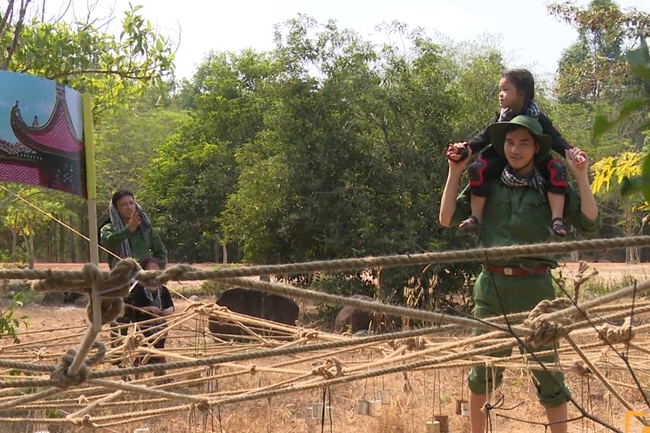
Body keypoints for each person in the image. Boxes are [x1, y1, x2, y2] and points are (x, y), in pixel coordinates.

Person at [439, 115, 600, 433]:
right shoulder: (487, 185)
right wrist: (454, 170)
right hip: (492, 289)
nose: (515, 149)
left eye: (524, 142)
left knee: (549, 374)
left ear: (537, 147)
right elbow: (446, 218)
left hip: (536, 289)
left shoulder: (552, 187)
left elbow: (590, 221)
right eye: (510, 142)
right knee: (482, 371)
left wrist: (581, 175)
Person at [446, 69, 586, 238]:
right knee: (478, 168)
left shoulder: (539, 118)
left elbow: (556, 140)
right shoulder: (501, 119)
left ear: (521, 94)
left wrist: (572, 154)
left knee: (557, 168)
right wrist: (462, 150)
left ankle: (557, 219)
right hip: (500, 158)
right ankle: (476, 217)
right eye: (500, 90)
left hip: (533, 160)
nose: (500, 95)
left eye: (506, 90)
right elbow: (482, 138)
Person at [123, 257, 175, 377]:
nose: (154, 275)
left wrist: (168, 311)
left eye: (157, 271)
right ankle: (138, 372)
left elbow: (170, 305)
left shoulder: (163, 290)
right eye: (150, 271)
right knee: (148, 349)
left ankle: (160, 374)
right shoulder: (138, 290)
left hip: (161, 326)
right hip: (145, 326)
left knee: (159, 349)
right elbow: (133, 307)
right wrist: (149, 309)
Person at [100, 189, 167, 269]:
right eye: (124, 205)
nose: (129, 207)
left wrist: (159, 267)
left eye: (131, 203)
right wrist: (127, 230)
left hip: (144, 274)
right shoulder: (108, 228)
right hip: (122, 272)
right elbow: (108, 243)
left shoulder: (144, 228)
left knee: (152, 265)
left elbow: (160, 251)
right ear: (116, 209)